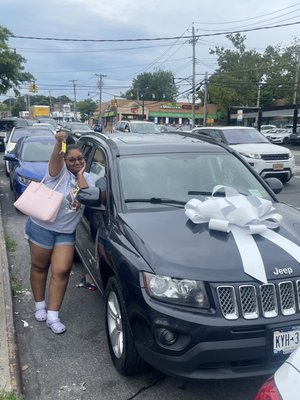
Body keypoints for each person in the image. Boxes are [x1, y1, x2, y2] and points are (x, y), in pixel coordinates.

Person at [24, 130, 94, 334]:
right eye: (71, 160)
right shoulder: (57, 173)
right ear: (65, 160)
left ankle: (53, 315)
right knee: (39, 267)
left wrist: (80, 174)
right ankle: (40, 305)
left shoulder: (87, 177)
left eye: (80, 158)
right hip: (42, 227)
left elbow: (86, 195)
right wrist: (59, 144)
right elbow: (56, 159)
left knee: (62, 270)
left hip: (65, 232)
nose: (76, 162)